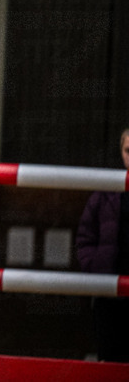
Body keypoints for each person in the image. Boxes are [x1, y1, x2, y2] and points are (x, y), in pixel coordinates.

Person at [75, 128, 129, 363]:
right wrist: (96, 271)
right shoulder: (105, 192)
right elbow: (84, 239)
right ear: (121, 152)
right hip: (109, 295)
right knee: (109, 360)